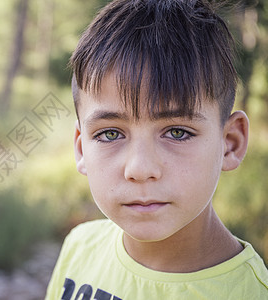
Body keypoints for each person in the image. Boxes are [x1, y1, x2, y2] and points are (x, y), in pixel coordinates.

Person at [45, 0, 268, 299]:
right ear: (82, 147)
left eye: (177, 132)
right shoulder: (79, 249)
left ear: (230, 143)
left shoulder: (250, 293)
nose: (140, 169)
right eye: (110, 134)